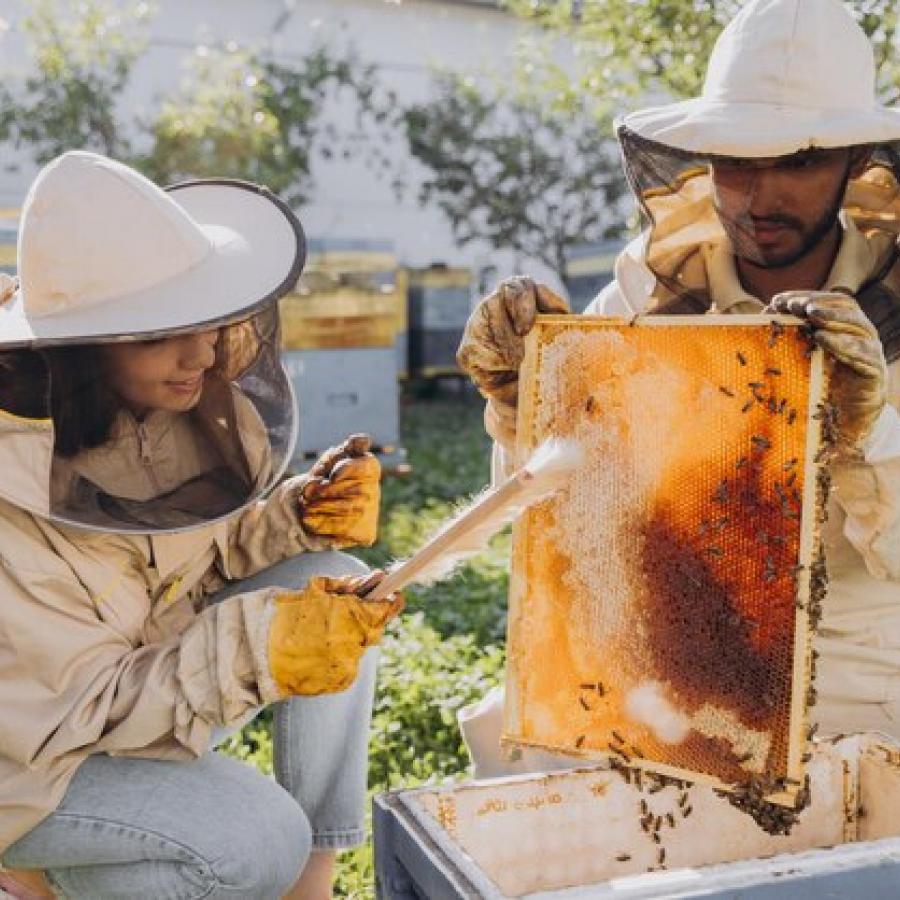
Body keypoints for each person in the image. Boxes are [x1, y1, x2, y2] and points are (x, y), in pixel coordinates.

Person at [456, 0, 900, 775]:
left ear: (854, 161)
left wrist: (864, 442)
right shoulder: (643, 296)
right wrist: (516, 406)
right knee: (547, 777)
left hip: (866, 676)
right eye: (736, 159)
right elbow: (564, 517)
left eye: (797, 161)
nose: (761, 197)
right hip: (678, 663)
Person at [0, 151, 403, 899]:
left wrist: (292, 520)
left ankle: (313, 883)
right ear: (83, 348)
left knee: (338, 590)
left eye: (206, 323)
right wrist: (263, 647)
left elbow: (184, 563)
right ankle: (38, 875)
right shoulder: (11, 509)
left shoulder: (155, 409)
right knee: (252, 837)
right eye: (160, 334)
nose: (204, 353)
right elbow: (83, 709)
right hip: (35, 764)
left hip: (130, 685)